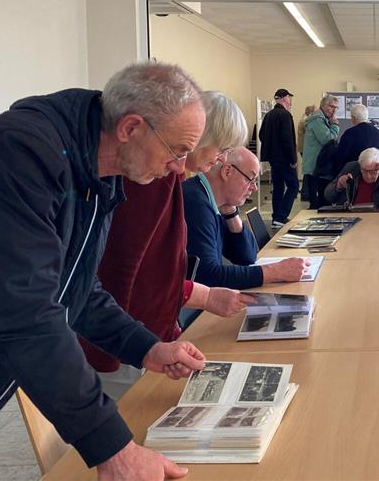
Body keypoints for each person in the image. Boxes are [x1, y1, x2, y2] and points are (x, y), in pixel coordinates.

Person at [0, 62, 209, 479]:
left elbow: (77, 287)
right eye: (176, 150)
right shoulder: (25, 151)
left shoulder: (95, 170)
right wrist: (114, 449)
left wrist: (146, 347)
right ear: (130, 128)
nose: (179, 167)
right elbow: (27, 313)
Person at [82, 90, 256, 400]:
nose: (221, 158)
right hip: (124, 338)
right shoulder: (155, 177)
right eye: (222, 148)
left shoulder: (172, 178)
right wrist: (197, 303)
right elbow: (135, 274)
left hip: (140, 333)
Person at [183, 147, 309, 289]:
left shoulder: (212, 202)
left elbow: (247, 257)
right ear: (227, 172)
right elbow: (208, 277)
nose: (254, 187)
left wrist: (231, 212)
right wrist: (276, 272)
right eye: (250, 179)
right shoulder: (195, 202)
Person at [259, 88, 298, 227]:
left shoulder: (269, 115)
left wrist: (271, 147)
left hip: (273, 159)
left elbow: (261, 135)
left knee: (278, 187)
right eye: (289, 97)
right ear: (283, 98)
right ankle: (281, 217)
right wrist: (293, 159)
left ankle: (276, 217)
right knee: (293, 186)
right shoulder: (285, 115)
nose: (290, 100)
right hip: (285, 159)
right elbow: (287, 139)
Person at [302, 94, 340, 209]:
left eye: (336, 108)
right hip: (316, 167)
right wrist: (335, 125)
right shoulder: (318, 120)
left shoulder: (322, 119)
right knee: (318, 203)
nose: (334, 111)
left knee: (320, 201)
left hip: (317, 166)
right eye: (332, 107)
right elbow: (328, 139)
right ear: (323, 106)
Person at [333, 103, 379, 175]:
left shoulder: (349, 133)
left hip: (354, 175)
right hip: (375, 174)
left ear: (353, 118)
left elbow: (340, 156)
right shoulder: (378, 133)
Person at [297, 104, 316, 200]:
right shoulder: (306, 121)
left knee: (307, 171)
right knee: (308, 171)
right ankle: (305, 192)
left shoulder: (304, 119)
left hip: (303, 148)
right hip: (305, 149)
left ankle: (305, 192)